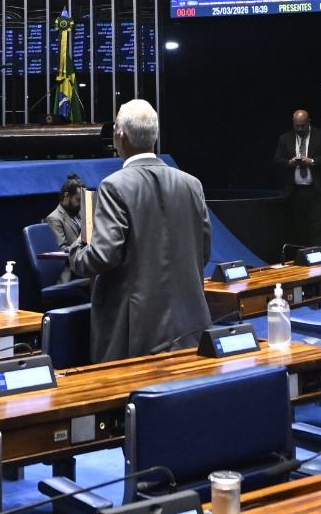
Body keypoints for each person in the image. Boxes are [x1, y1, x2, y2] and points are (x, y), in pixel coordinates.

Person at [60, 99, 212, 361]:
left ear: (120, 137)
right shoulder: (192, 184)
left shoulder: (114, 186)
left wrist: (76, 248)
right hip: (191, 327)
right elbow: (204, 251)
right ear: (156, 134)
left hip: (135, 334)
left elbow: (103, 256)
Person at [274, 108, 321, 196]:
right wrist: (289, 162)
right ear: (293, 122)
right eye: (297, 126)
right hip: (293, 191)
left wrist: (311, 161)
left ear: (309, 121)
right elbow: (277, 159)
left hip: (317, 189)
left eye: (303, 126)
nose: (300, 129)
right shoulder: (285, 138)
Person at [44, 172, 90, 251]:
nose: (81, 204)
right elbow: (63, 249)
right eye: (78, 200)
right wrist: (81, 241)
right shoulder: (54, 218)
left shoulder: (82, 213)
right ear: (67, 196)